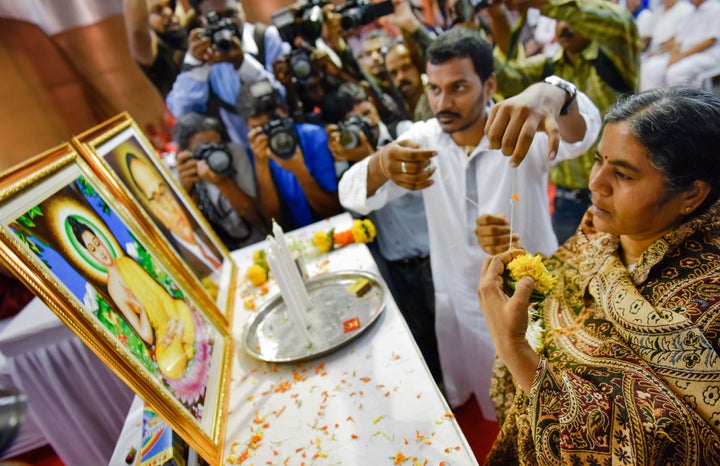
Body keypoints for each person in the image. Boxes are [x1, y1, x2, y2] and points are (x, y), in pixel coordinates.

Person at [338, 27, 601, 418]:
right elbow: (350, 192)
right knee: (485, 403)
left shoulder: (521, 126)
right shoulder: (423, 140)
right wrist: (380, 164)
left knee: (542, 410)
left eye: (458, 88)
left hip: (529, 296)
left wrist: (551, 92)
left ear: (489, 83)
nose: (443, 102)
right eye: (435, 88)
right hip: (458, 296)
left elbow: (583, 133)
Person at [477, 86, 720, 463]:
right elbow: (563, 293)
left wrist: (515, 350)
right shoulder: (599, 229)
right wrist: (525, 288)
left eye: (622, 174)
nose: (595, 183)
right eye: (598, 161)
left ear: (691, 195)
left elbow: (655, 447)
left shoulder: (708, 300)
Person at [489, 0, 641, 244]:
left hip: (616, 196)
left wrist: (542, 3)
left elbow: (621, 23)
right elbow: (504, 78)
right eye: (559, 20)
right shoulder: (548, 66)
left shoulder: (617, 52)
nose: (564, 26)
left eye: (572, 16)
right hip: (567, 203)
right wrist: (491, 19)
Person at [326, 82, 441, 383]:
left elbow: (420, 181)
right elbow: (354, 209)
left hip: (435, 257)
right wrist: (357, 162)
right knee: (420, 336)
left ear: (374, 104)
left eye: (366, 112)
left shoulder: (406, 132)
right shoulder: (344, 160)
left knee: (452, 332)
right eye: (354, 121)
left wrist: (372, 159)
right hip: (398, 265)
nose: (365, 123)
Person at [68, 217, 196, 380]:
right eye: (93, 249)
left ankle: (181, 340)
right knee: (168, 366)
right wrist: (141, 308)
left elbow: (159, 292)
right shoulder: (113, 288)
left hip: (172, 313)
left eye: (97, 243)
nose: (99, 251)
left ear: (102, 240)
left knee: (185, 310)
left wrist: (173, 315)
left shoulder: (126, 262)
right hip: (163, 333)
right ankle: (181, 340)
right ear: (90, 255)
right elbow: (147, 336)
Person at [166, 0, 284, 148]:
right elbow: (181, 111)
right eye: (215, 18)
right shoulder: (202, 54)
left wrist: (242, 63)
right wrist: (196, 65)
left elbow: (283, 95)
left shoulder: (265, 38)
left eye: (231, 14)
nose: (225, 24)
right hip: (240, 151)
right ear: (201, 20)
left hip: (281, 138)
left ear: (242, 8)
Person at [237, 78, 343, 231]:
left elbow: (334, 210)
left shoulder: (313, 137)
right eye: (260, 128)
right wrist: (261, 164)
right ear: (248, 127)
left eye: (275, 123)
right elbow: (272, 220)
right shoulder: (254, 151)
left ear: (285, 111)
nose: (272, 133)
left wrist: (300, 173)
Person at [126, 153, 224, 290]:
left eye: (164, 191)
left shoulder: (205, 232)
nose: (171, 206)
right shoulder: (177, 265)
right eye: (157, 199)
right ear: (152, 212)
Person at [171, 112, 268, 250]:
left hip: (257, 242)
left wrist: (223, 183)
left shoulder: (234, 154)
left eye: (216, 145)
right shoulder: (181, 175)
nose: (212, 154)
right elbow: (193, 238)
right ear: (184, 153)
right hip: (221, 253)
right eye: (203, 149)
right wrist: (187, 191)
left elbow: (259, 220)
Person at [640, 0, 720, 90]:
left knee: (675, 73)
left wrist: (681, 56)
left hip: (707, 55)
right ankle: (655, 101)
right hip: (685, 54)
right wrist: (674, 56)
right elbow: (679, 39)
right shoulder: (691, 11)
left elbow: (711, 40)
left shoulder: (716, 9)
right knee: (654, 68)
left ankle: (684, 103)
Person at [123, 0, 192, 99]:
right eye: (157, 10)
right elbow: (137, 32)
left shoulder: (199, 28)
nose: (168, 12)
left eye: (172, 5)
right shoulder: (158, 58)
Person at [383, 39, 433, 122]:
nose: (400, 77)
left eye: (406, 68)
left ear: (418, 66)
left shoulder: (436, 99)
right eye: (393, 73)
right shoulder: (396, 111)